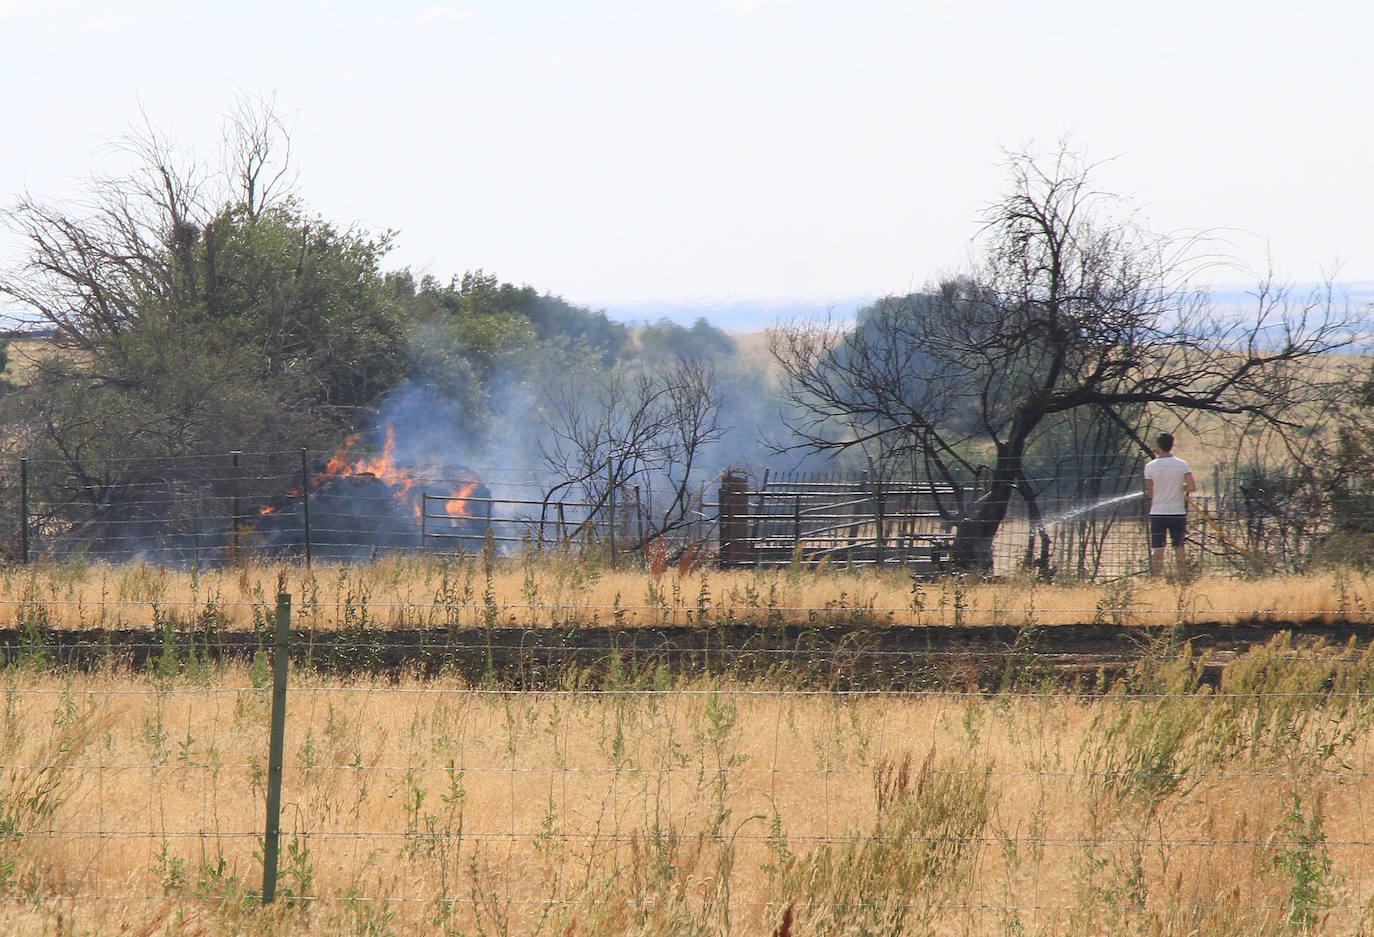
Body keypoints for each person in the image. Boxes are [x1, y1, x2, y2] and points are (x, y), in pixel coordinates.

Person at [1143, 432, 1196, 576]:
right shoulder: (1182, 464)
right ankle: (1183, 579)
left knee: (1158, 549)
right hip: (1177, 513)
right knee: (1179, 548)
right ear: (1172, 446)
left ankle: (1154, 581)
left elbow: (1151, 493)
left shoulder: (1150, 466)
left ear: (1158, 446)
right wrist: (1179, 487)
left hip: (1158, 513)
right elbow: (1191, 487)